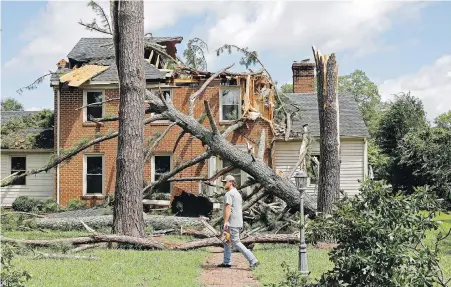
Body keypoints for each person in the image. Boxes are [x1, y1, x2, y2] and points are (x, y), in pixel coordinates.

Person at [217, 174, 259, 269]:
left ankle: (253, 260)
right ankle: (226, 262)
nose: (224, 184)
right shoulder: (237, 193)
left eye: (225, 182)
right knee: (227, 241)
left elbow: (228, 208)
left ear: (231, 182)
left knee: (236, 242)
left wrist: (226, 222)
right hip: (237, 221)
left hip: (232, 222)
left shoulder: (229, 194)